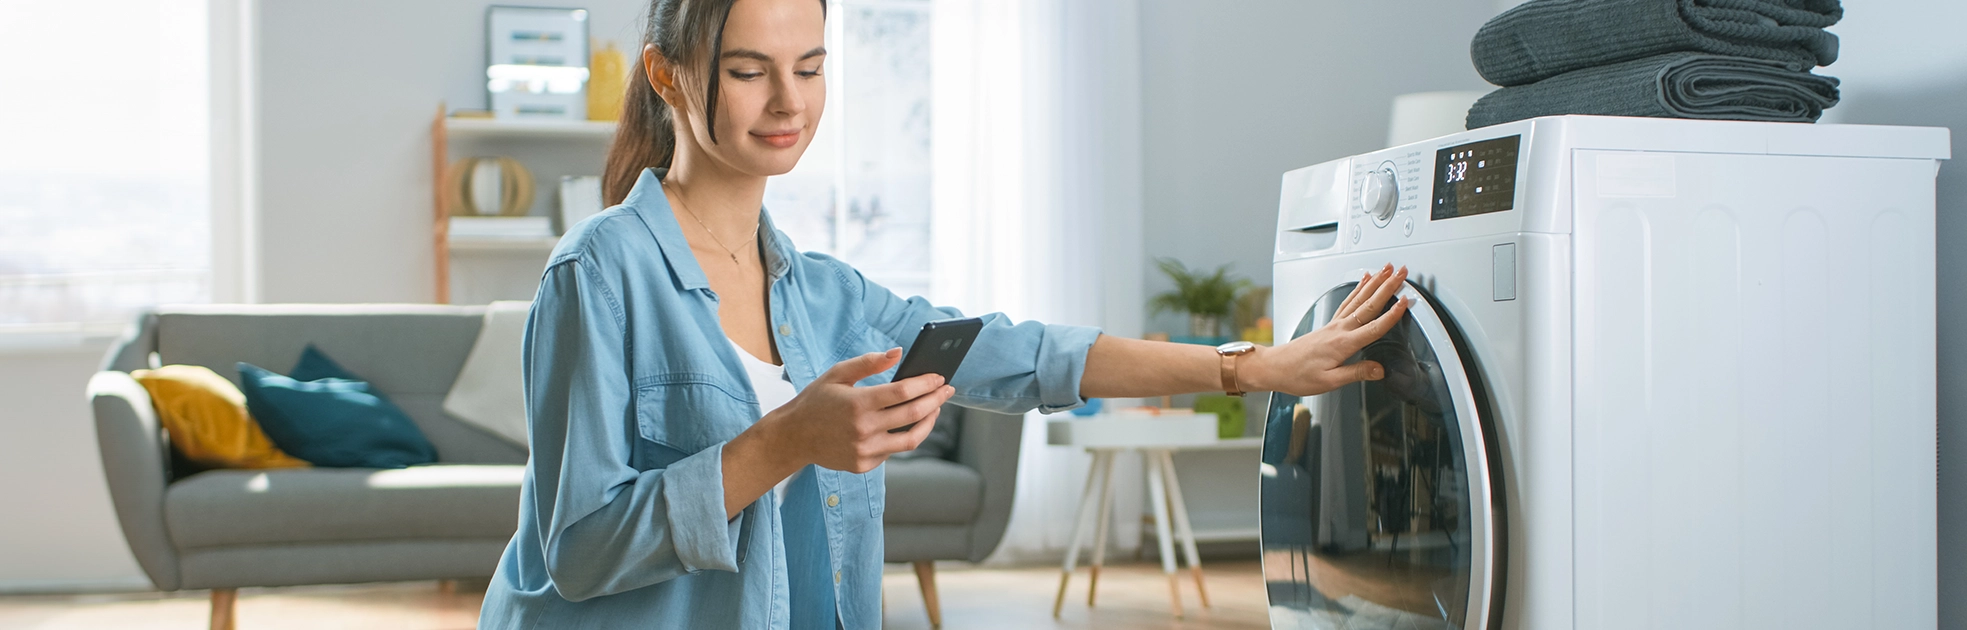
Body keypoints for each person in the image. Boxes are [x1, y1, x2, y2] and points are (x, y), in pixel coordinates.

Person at [476, 0, 1412, 627]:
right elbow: (579, 550)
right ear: (667, 73)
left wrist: (1251, 368)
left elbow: (1023, 356)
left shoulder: (824, 296)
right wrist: (789, 439)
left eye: (811, 66)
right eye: (749, 71)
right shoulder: (598, 273)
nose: (789, 102)